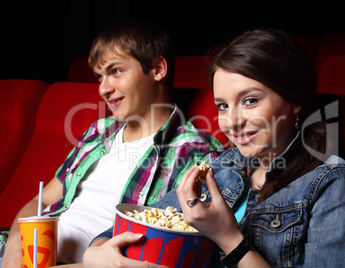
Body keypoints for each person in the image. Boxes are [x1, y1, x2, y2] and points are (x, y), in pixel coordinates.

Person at [83, 28, 345, 267]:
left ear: (294, 99)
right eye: (222, 105)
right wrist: (95, 252)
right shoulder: (222, 166)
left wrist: (228, 237)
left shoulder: (332, 184)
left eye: (250, 100)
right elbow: (131, 227)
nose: (231, 121)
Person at [0, 19, 222, 267]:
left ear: (158, 69)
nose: (103, 89)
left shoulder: (196, 154)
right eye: (99, 77)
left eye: (116, 71)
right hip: (24, 253)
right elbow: (39, 201)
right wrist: (12, 252)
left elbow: (163, 256)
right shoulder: (98, 132)